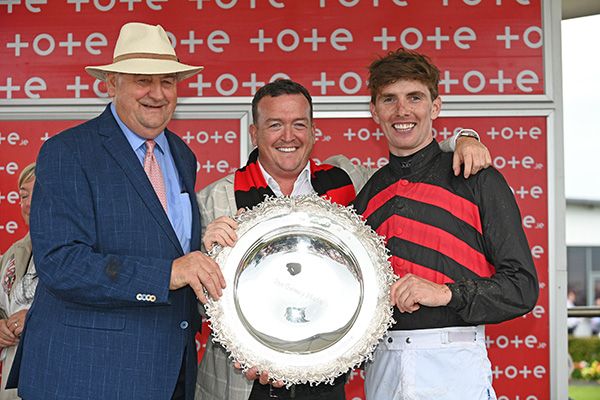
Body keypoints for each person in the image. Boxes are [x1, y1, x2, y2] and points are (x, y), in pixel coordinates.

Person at [194, 79, 492, 400]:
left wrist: (463, 139)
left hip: (325, 379)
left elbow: (410, 163)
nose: (288, 136)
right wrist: (207, 255)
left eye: (299, 124)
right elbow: (200, 306)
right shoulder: (216, 198)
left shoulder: (348, 180)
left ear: (313, 130)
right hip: (244, 382)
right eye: (275, 125)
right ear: (254, 133)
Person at [9, 22, 225, 400]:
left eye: (168, 82)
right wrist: (168, 272)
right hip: (88, 377)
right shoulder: (67, 153)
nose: (157, 94)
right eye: (143, 80)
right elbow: (62, 263)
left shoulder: (182, 155)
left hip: (170, 372)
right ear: (111, 84)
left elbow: (168, 249)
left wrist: (213, 254)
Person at [351, 49, 539, 400]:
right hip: (382, 366)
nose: (402, 111)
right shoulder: (368, 194)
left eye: (414, 97)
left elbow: (522, 288)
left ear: (435, 107)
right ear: (374, 111)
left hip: (455, 364)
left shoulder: (477, 179)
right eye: (389, 99)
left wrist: (444, 293)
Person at [0, 163, 38, 400]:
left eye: (40, 193)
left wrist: (37, 317)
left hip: (59, 379)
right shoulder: (11, 255)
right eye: (24, 195)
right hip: (13, 387)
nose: (29, 203)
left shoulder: (87, 251)